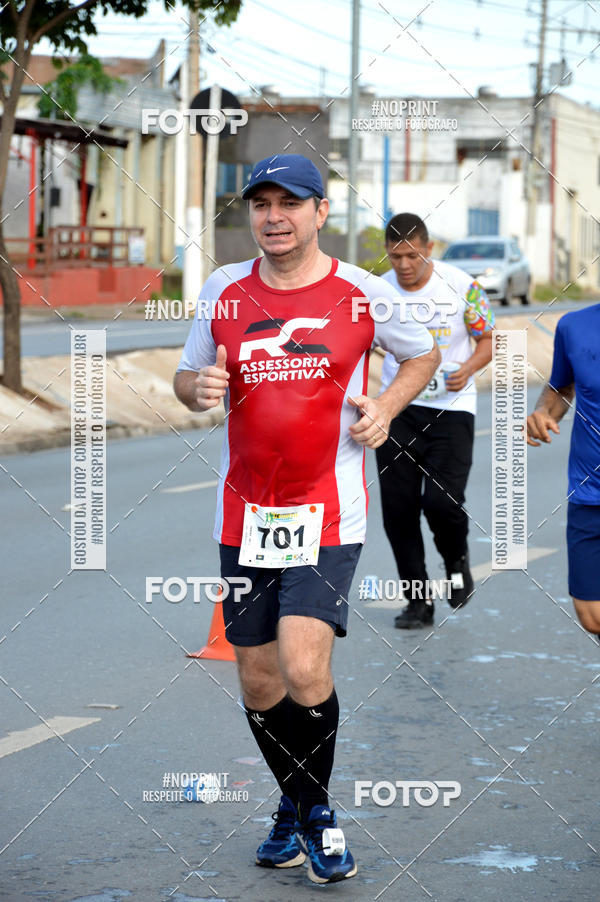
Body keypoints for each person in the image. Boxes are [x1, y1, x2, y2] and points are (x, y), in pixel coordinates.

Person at [174, 155, 439, 884]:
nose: (273, 216)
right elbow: (185, 376)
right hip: (245, 511)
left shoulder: (361, 294)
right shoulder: (223, 290)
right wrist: (195, 387)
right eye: (261, 203)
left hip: (329, 508)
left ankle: (316, 816)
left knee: (302, 663)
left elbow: (424, 355)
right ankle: (295, 801)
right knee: (259, 683)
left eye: (290, 202)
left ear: (321, 212)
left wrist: (384, 408)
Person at [375, 213, 495, 629]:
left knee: (441, 503)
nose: (403, 265)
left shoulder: (462, 286)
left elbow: (488, 339)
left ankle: (456, 561)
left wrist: (469, 368)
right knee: (398, 511)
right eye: (395, 257)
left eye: (411, 255)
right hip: (398, 410)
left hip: (452, 410)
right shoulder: (377, 291)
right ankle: (418, 601)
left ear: (428, 249)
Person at [527, 304, 600, 639]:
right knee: (591, 614)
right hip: (589, 492)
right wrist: (544, 412)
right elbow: (562, 387)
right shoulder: (573, 326)